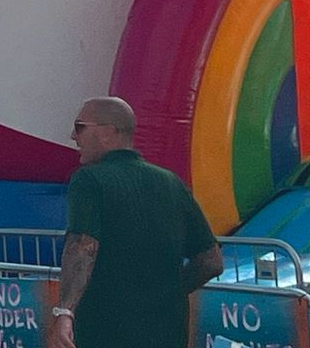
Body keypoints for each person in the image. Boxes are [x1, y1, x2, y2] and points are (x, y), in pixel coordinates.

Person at [53, 96, 224, 348]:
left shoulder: (88, 180)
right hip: (168, 331)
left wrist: (65, 312)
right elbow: (211, 260)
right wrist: (170, 292)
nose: (73, 136)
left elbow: (82, 246)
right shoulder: (171, 183)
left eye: (80, 127)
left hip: (105, 330)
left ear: (107, 133)